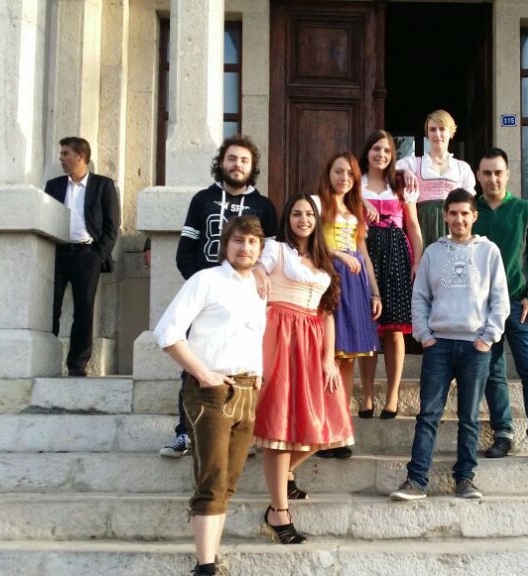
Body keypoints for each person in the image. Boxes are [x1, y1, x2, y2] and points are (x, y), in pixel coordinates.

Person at [153, 215, 266, 576]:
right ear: (225, 244)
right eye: (239, 240)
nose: (245, 247)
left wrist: (258, 375)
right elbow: (167, 332)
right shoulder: (206, 280)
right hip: (211, 394)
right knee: (211, 481)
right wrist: (202, 374)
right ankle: (204, 567)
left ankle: (211, 559)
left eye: (252, 242)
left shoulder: (257, 289)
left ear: (260, 249)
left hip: (247, 392)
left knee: (228, 483)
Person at [160, 134, 277, 459]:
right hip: (207, 298)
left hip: (246, 298)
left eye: (244, 160)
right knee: (194, 361)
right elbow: (185, 251)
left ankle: (238, 431)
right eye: (232, 158)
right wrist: (205, 287)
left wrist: (256, 274)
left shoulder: (264, 206)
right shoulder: (202, 200)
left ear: (252, 167)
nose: (237, 165)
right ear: (222, 163)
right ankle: (185, 432)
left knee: (242, 363)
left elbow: (270, 253)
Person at [390, 188, 509, 501]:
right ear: (445, 215)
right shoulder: (433, 252)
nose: (459, 219)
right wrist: (425, 336)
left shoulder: (489, 252)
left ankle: (465, 479)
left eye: (464, 213)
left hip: (475, 347)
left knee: (469, 417)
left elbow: (500, 299)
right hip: (439, 345)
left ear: (474, 216)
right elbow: (420, 297)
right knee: (428, 415)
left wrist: (488, 337)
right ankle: (416, 481)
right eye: (453, 213)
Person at [252, 194, 349, 544]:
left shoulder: (322, 259)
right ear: (288, 218)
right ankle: (279, 511)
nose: (303, 219)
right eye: (296, 213)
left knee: (326, 424)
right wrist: (258, 272)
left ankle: (284, 476)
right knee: (279, 426)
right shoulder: (275, 250)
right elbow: (255, 269)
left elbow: (327, 313)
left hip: (312, 341)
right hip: (279, 337)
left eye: (309, 214)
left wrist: (329, 358)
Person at [473, 148, 528, 461]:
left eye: (498, 172)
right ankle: (503, 434)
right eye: (486, 173)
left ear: (507, 174)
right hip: (483, 308)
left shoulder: (525, 211)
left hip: (520, 305)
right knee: (492, 371)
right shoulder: (471, 212)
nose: (492, 178)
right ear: (478, 175)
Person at [313, 152, 382, 458]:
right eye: (338, 171)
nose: (344, 178)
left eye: (350, 174)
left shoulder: (355, 209)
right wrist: (338, 254)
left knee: (348, 360)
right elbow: (309, 241)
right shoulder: (317, 204)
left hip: (355, 284)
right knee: (327, 357)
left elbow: (363, 254)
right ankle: (322, 431)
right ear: (328, 173)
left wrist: (375, 293)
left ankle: (340, 431)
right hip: (328, 279)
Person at [356, 130, 424, 420]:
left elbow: (413, 225)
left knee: (395, 330)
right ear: (367, 152)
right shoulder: (356, 184)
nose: (381, 155)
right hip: (365, 252)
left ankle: (393, 395)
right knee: (368, 328)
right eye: (376, 149)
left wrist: (417, 261)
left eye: (386, 150)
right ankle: (367, 395)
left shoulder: (400, 185)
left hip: (396, 252)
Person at [45, 136, 121, 377]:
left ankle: (77, 364)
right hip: (58, 254)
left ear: (81, 156)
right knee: (50, 309)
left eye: (65, 153)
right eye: (61, 153)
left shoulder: (103, 185)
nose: (61, 158)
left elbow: (112, 225)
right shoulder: (54, 185)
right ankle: (46, 360)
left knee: (84, 311)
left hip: (88, 255)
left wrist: (98, 255)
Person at [397, 110, 476, 248]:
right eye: (432, 129)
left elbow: (469, 206)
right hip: (424, 223)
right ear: (427, 134)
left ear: (451, 132)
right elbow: (385, 170)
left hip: (453, 223)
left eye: (442, 129)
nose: (437, 134)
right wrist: (404, 171)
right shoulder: (414, 163)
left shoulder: (462, 168)